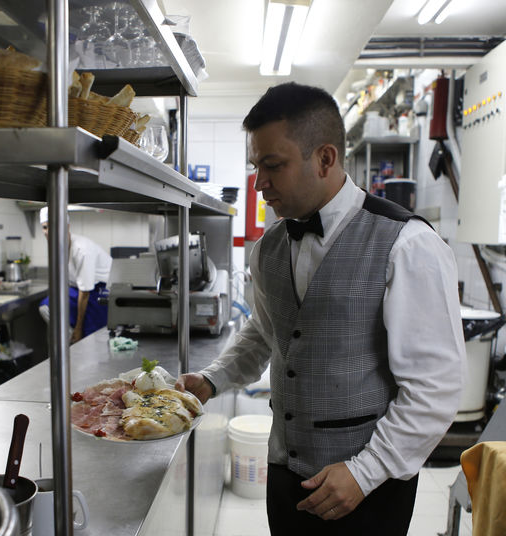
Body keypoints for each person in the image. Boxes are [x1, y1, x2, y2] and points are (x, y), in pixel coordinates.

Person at [176, 82, 465, 536]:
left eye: (273, 166)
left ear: (325, 159)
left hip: (367, 488)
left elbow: (437, 387)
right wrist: (213, 379)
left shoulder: (408, 245)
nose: (259, 184)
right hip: (285, 478)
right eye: (256, 166)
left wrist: (365, 471)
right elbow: (268, 331)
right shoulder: (267, 246)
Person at [38, 206, 112, 343]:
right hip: (78, 290)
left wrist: (78, 328)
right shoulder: (57, 248)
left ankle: (79, 339)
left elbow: (85, 293)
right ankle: (69, 342)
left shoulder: (82, 250)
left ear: (67, 227)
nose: (48, 232)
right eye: (45, 227)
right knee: (47, 305)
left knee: (90, 335)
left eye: (53, 226)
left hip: (101, 290)